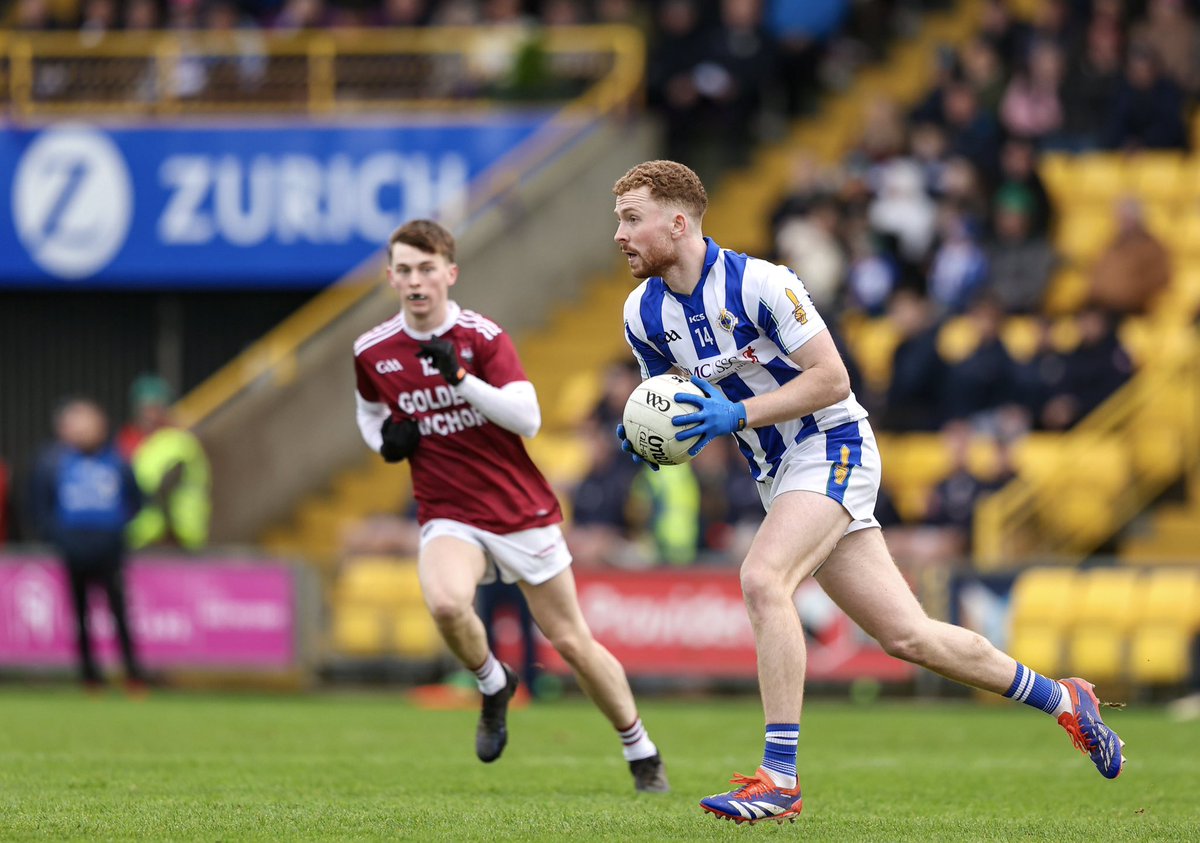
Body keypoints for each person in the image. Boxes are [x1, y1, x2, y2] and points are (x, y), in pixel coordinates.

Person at [611, 160, 1124, 824]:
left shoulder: (762, 283)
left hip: (833, 445)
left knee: (763, 579)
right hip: (780, 474)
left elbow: (832, 378)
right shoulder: (642, 313)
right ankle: (1064, 700)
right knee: (908, 636)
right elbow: (671, 402)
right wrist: (649, 438)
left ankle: (779, 778)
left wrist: (734, 416)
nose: (619, 235)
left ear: (677, 222)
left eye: (630, 219)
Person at [352, 219, 668, 792]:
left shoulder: (482, 338)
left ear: (450, 273)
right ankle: (493, 680)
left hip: (520, 511)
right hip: (448, 509)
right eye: (404, 270)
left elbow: (528, 418)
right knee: (448, 604)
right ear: (391, 277)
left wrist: (462, 379)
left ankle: (640, 748)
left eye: (427, 269)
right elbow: (370, 413)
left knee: (572, 641)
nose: (416, 281)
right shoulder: (373, 350)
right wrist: (384, 442)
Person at [31, 399, 145, 692]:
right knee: (79, 614)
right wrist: (59, 537)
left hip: (109, 550)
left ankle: (133, 675)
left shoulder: (119, 460)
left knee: (119, 612)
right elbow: (40, 506)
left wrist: (120, 532)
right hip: (73, 550)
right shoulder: (52, 462)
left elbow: (137, 500)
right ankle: (90, 677)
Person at [119, 375, 212, 552]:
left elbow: (170, 483)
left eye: (156, 407)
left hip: (177, 535)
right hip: (139, 536)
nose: (150, 414)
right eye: (145, 407)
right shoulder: (127, 440)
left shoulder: (179, 441)